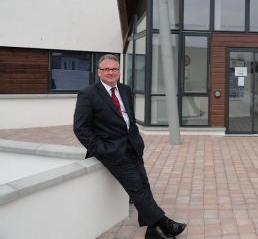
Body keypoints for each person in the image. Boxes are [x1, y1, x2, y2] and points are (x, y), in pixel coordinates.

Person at [73, 54, 186, 239]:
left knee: (144, 185)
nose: (111, 72)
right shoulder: (88, 94)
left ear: (119, 71)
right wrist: (101, 149)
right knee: (137, 188)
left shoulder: (125, 89)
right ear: (99, 72)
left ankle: (153, 231)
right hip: (111, 151)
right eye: (106, 69)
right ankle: (164, 223)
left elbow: (128, 119)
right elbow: (81, 128)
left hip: (132, 146)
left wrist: (136, 137)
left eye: (114, 69)